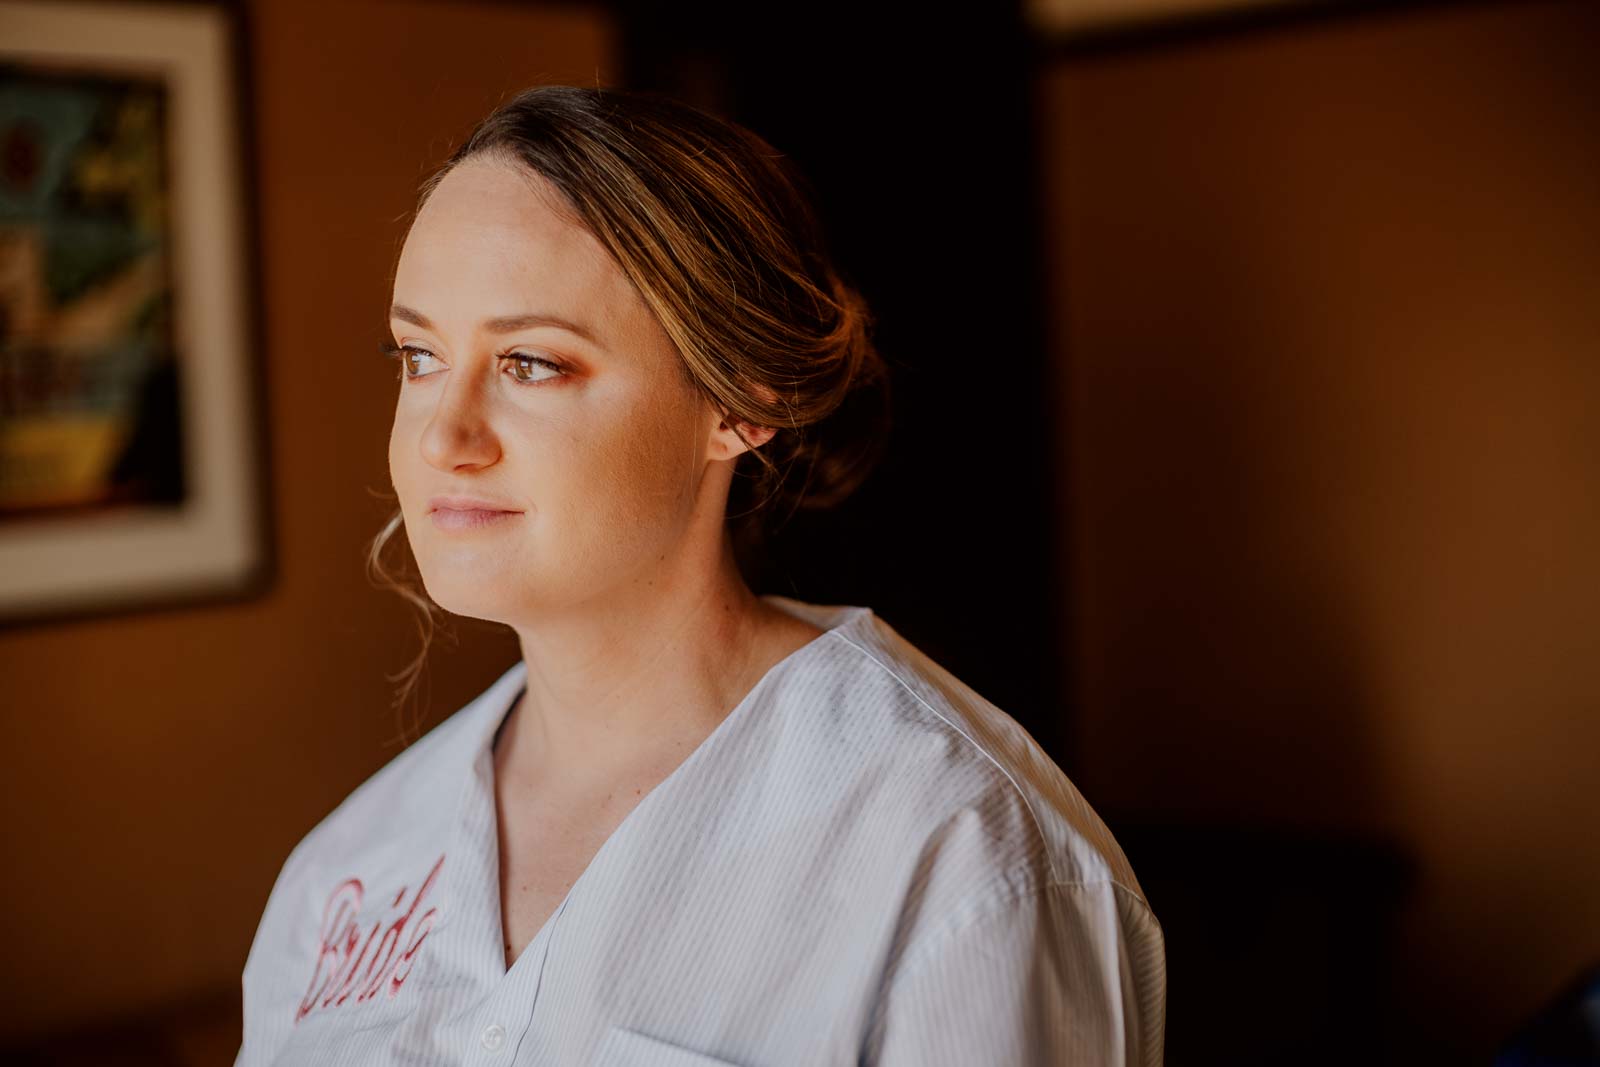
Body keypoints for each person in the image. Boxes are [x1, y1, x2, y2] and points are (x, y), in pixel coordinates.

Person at [235, 84, 1166, 1067]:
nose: (443, 436)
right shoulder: (341, 872)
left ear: (740, 399)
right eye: (418, 354)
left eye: (531, 364)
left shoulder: (955, 852)